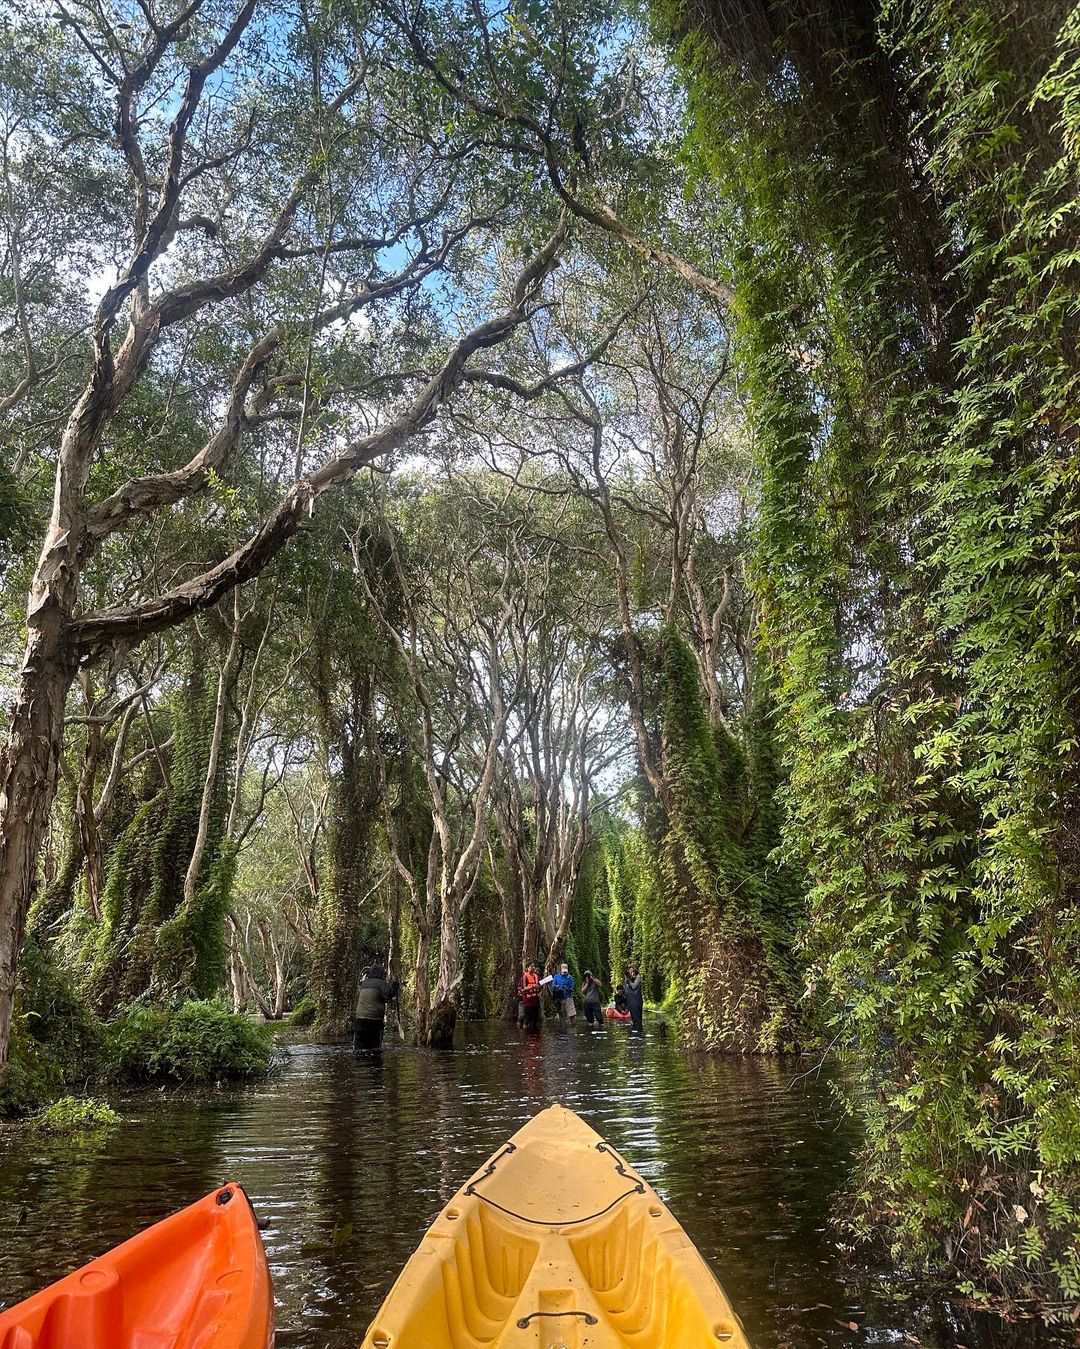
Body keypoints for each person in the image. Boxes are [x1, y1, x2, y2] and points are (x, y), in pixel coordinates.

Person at [353, 963, 398, 1051]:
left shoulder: (364, 984)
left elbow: (375, 997)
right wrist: (395, 983)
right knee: (374, 1050)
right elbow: (390, 993)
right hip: (374, 1022)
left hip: (359, 1022)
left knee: (359, 1050)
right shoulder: (381, 983)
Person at [550, 962, 576, 1028]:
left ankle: (573, 1027)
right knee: (561, 1015)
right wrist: (557, 987)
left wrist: (566, 988)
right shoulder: (556, 976)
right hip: (559, 998)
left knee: (572, 1015)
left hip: (568, 998)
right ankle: (563, 1028)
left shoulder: (570, 978)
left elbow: (572, 989)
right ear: (560, 969)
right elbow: (553, 986)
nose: (565, 973)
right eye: (563, 971)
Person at [519, 962, 541, 1032]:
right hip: (528, 1001)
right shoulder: (524, 977)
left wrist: (539, 987)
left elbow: (540, 987)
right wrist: (533, 986)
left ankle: (535, 1034)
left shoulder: (537, 977)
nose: (533, 968)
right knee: (527, 1017)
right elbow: (523, 989)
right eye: (531, 966)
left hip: (536, 1001)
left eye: (534, 966)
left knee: (535, 1018)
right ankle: (524, 1034)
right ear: (528, 968)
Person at [625, 962, 644, 1033]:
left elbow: (633, 986)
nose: (630, 970)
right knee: (633, 1019)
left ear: (634, 969)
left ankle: (639, 1033)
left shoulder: (638, 977)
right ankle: (634, 1033)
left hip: (636, 1000)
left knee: (638, 1019)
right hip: (630, 1001)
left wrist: (629, 981)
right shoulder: (631, 977)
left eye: (631, 968)